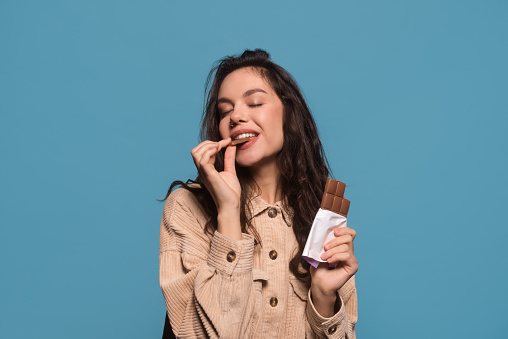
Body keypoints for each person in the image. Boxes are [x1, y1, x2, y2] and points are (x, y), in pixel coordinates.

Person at [159, 49, 358, 338]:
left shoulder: (323, 218)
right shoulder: (186, 207)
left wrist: (324, 298)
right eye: (225, 110)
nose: (236, 116)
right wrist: (228, 212)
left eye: (254, 102)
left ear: (289, 112)